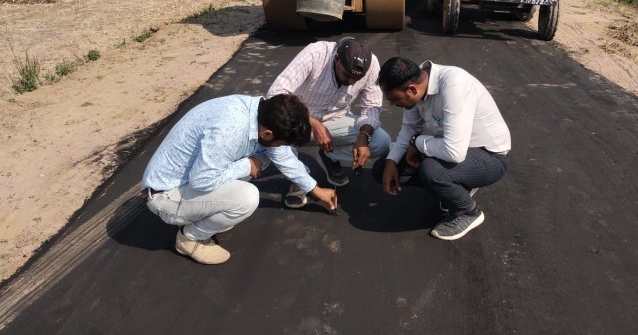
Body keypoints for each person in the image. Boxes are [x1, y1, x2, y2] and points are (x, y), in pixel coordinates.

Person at [141, 93, 337, 265]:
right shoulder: (232, 129)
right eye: (280, 142)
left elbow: (281, 154)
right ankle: (189, 239)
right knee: (247, 197)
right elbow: (201, 180)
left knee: (262, 158)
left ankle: (205, 213)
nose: (281, 147)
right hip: (165, 196)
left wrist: (314, 189)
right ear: (267, 133)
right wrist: (246, 165)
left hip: (184, 181)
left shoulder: (258, 113)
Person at [373, 57, 511, 241]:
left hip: (490, 157)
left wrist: (417, 141)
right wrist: (391, 161)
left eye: (394, 99)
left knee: (431, 170)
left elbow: (454, 151)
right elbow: (409, 128)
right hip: (450, 148)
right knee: (382, 169)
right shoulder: (417, 84)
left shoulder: (455, 86)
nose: (392, 104)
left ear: (411, 89)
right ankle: (458, 185)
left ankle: (469, 212)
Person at [267, 37, 390, 206]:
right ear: (337, 58)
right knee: (273, 130)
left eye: (357, 79)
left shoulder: (372, 65)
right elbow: (275, 94)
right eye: (347, 75)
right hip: (295, 120)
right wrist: (312, 123)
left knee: (380, 141)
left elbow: (372, 106)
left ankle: (329, 155)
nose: (352, 82)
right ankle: (301, 178)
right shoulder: (316, 54)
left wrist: (363, 136)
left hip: (335, 119)